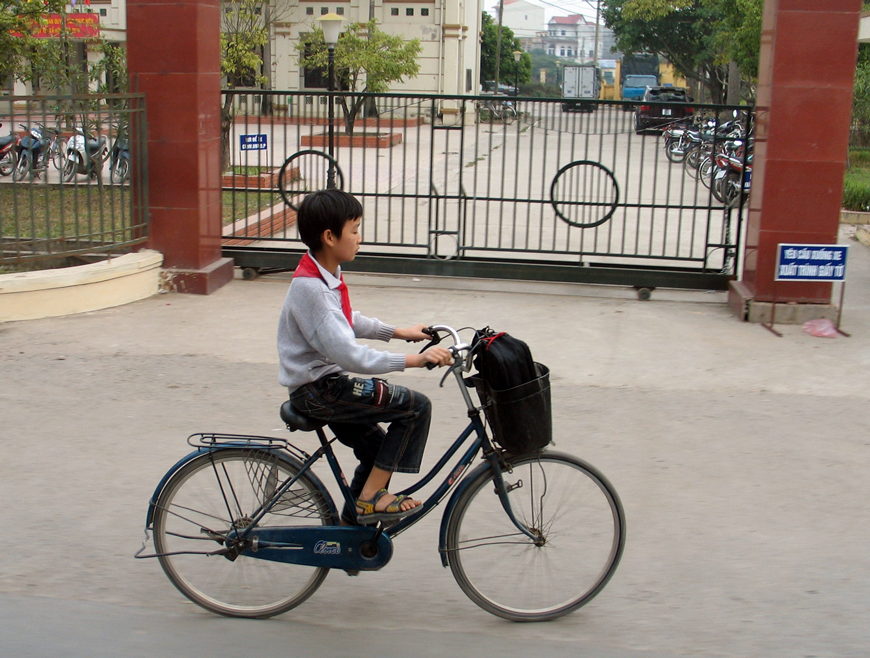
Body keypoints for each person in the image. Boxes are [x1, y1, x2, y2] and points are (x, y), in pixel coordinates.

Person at [277, 189, 452, 525]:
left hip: (324, 385)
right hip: (319, 391)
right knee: (416, 408)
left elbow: (345, 319)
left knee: (377, 450)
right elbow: (350, 356)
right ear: (330, 237)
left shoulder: (321, 274)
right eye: (355, 230)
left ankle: (350, 533)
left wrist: (400, 331)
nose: (360, 238)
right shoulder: (311, 288)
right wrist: (414, 360)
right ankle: (369, 500)